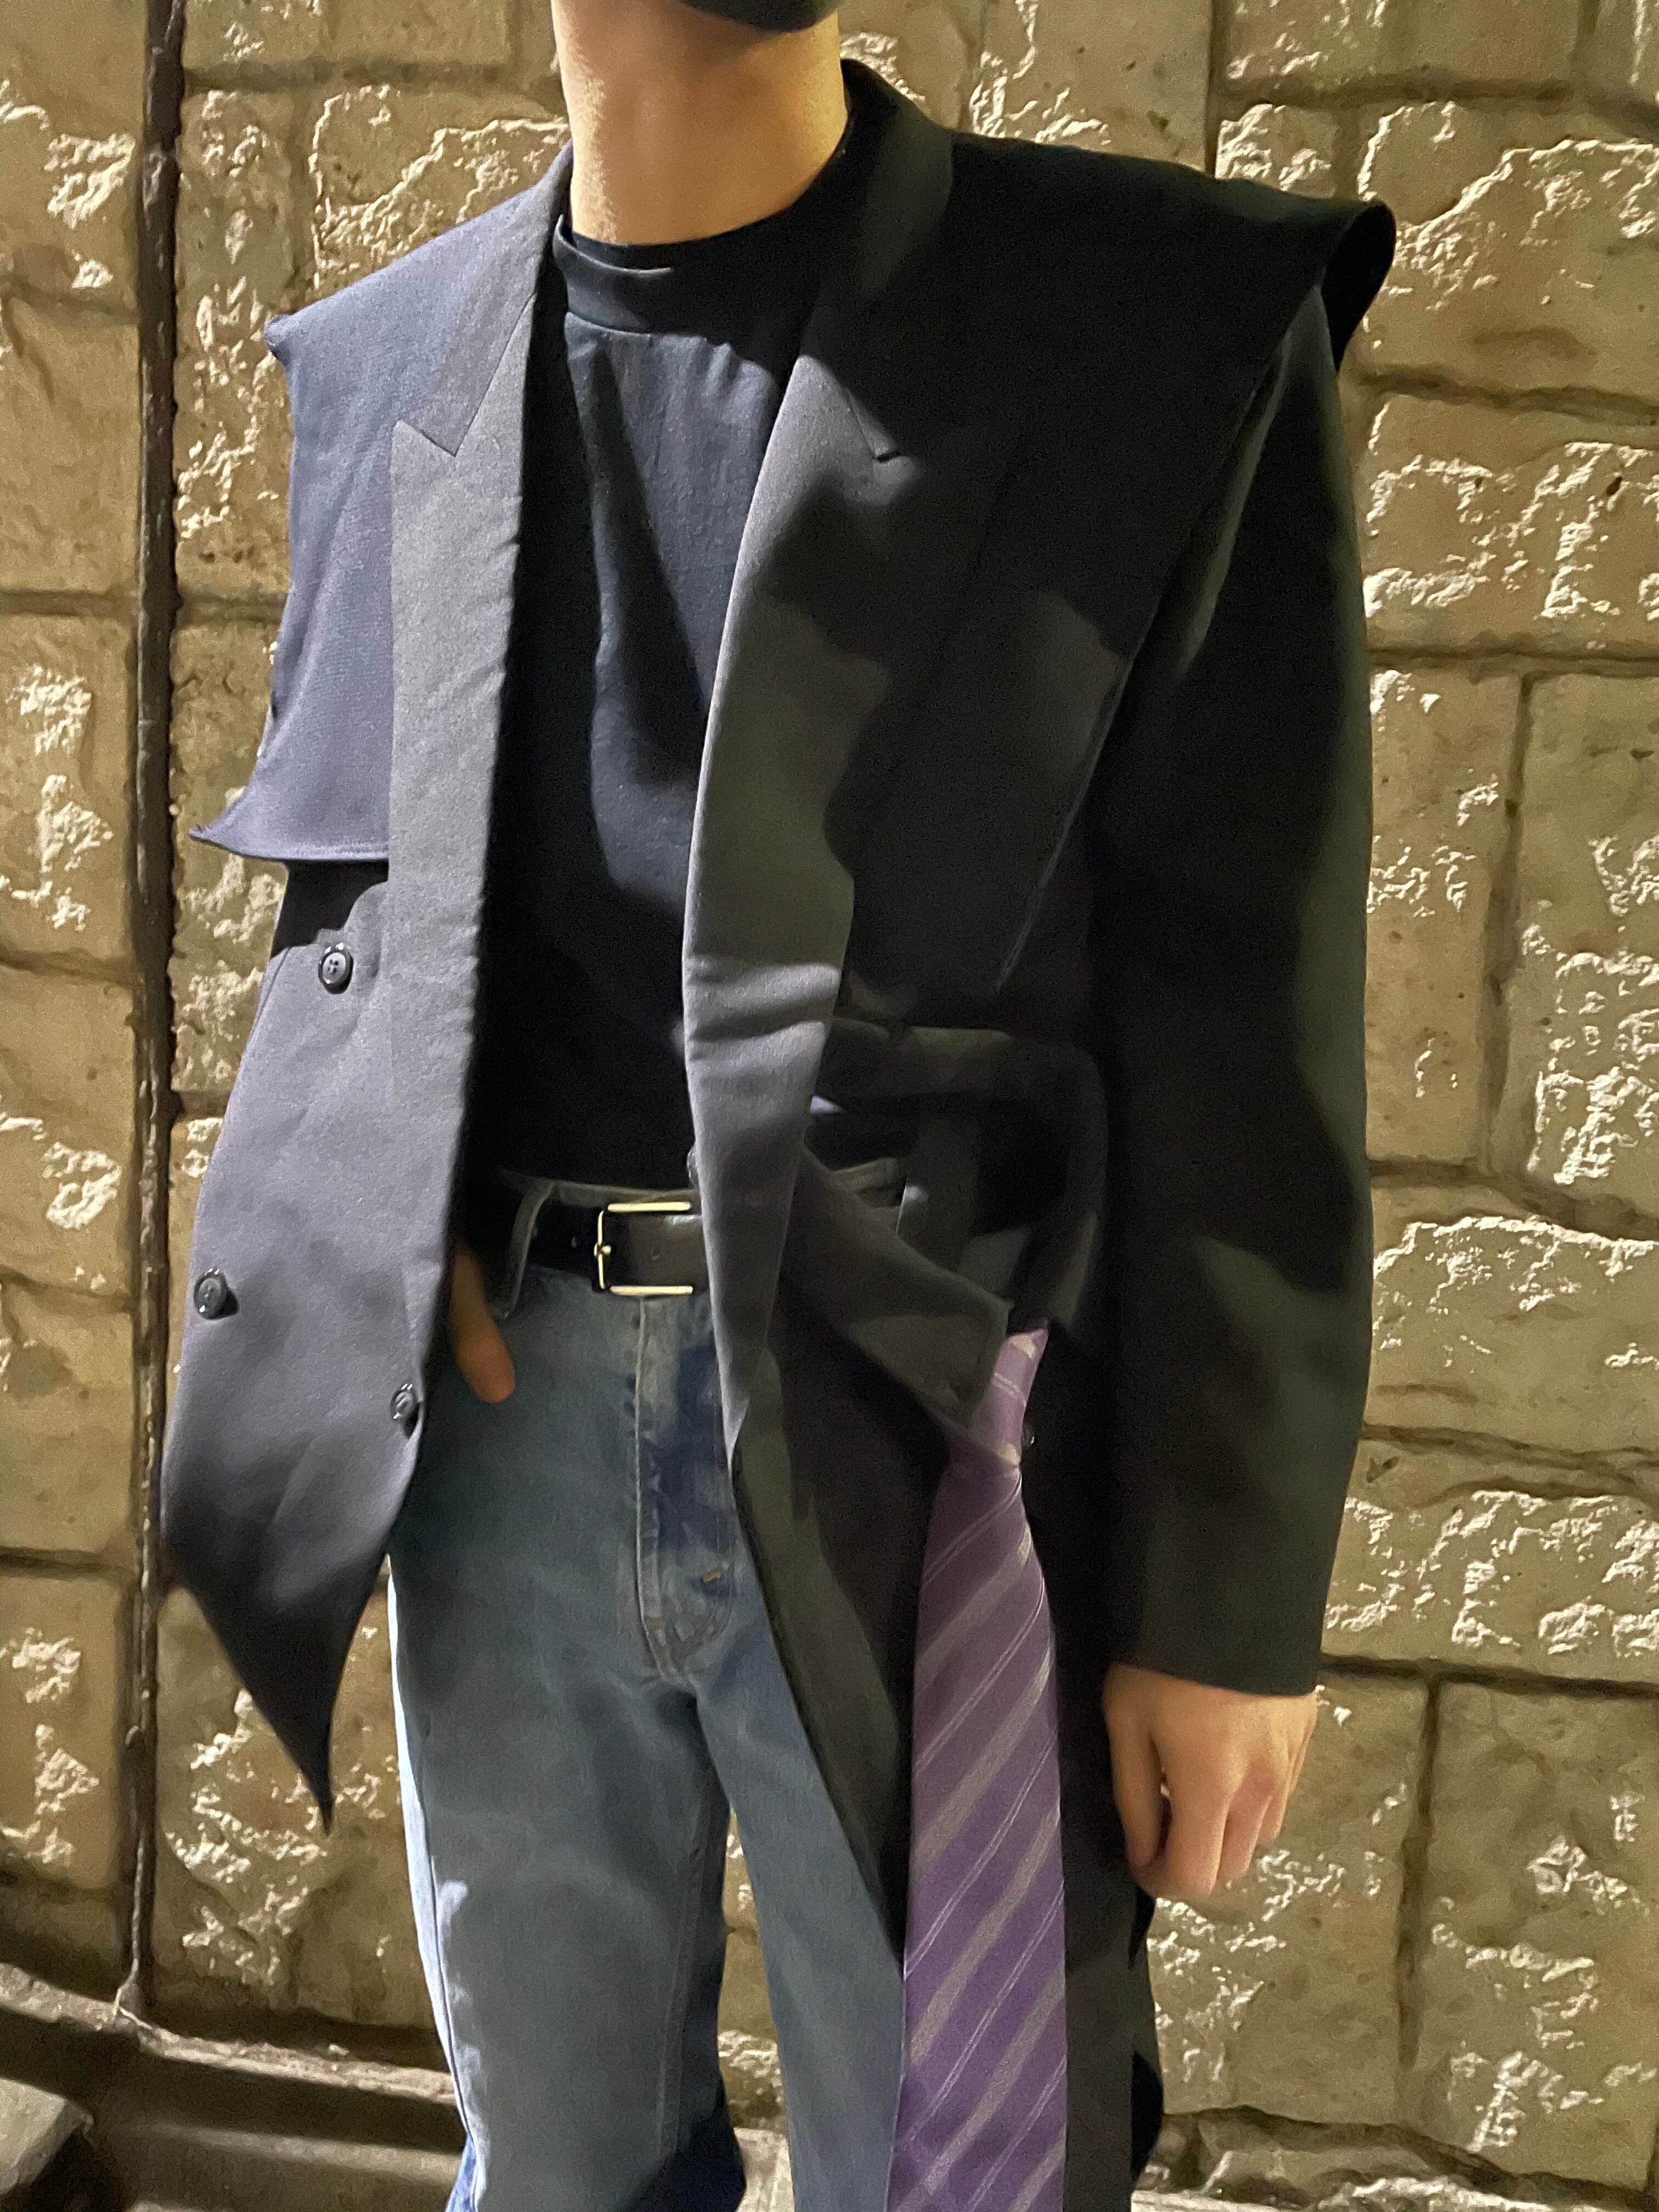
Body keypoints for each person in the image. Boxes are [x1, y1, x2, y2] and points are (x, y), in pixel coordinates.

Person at [157, 3, 1398, 2207]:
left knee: (960, 2171)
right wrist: (389, 1203)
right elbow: (362, 898)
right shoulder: (393, 361)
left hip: (923, 1440)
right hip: (509, 1444)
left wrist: (1221, 1591)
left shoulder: (1149, 328)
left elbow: (1246, 1002)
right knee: (556, 2169)